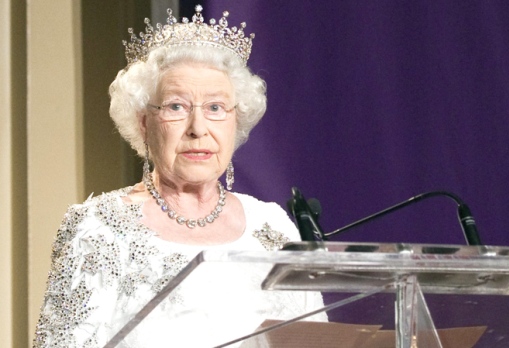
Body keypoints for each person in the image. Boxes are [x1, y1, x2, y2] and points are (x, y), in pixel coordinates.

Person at [33, 6, 326, 348]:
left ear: (236, 120)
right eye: (176, 107)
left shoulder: (274, 226)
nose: (198, 129)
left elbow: (319, 340)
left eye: (215, 108)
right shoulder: (99, 229)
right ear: (144, 123)